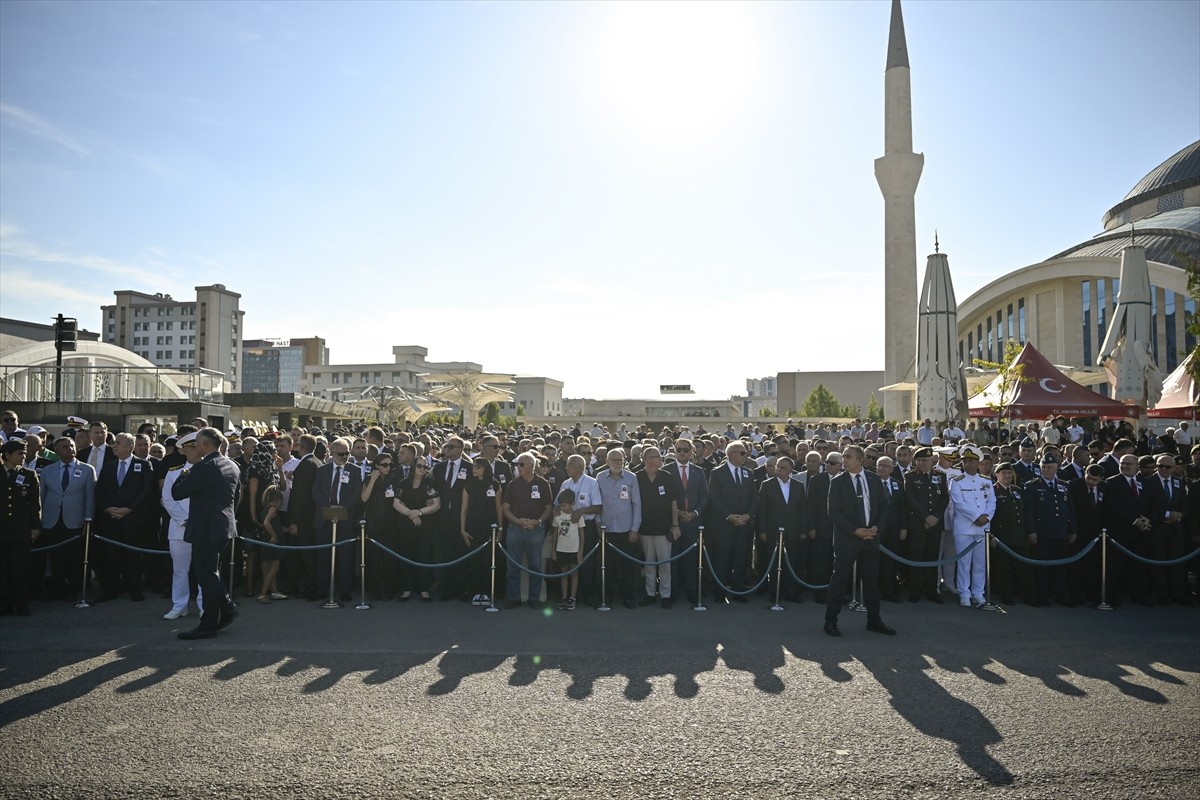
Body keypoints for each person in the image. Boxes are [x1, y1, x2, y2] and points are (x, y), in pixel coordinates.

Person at [170, 428, 240, 639]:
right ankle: (227, 609)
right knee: (211, 573)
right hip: (223, 526)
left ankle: (209, 623)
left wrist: (184, 472)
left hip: (205, 529)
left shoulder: (203, 467)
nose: (195, 446)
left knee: (206, 575)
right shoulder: (232, 465)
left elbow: (177, 492)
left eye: (198, 442)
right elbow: (236, 496)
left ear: (206, 445)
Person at [823, 446, 894, 637]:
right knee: (838, 580)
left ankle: (874, 621)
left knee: (871, 582)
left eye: (848, 457)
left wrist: (876, 528)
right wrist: (855, 530)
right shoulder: (838, 482)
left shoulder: (874, 479)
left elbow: (883, 507)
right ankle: (830, 621)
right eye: (843, 457)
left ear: (860, 460)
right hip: (847, 540)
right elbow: (834, 512)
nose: (844, 460)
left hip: (871, 538)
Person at [94, 432, 157, 602]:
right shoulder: (108, 467)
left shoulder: (144, 465)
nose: (114, 446)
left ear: (130, 447)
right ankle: (111, 589)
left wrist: (129, 509)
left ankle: (135, 588)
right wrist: (107, 509)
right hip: (111, 519)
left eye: (119, 443)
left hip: (133, 519)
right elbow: (100, 491)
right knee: (111, 556)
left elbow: (146, 491)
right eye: (114, 443)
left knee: (133, 556)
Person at [38, 436, 96, 602]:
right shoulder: (48, 470)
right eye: (64, 446)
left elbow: (90, 497)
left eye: (71, 445)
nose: (69, 448)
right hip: (52, 520)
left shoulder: (87, 469)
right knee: (56, 558)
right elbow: (41, 496)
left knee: (74, 558)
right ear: (56, 451)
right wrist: (39, 519)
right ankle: (58, 589)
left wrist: (88, 517)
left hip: (75, 520)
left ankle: (73, 590)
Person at [1023, 452, 1077, 607]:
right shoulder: (1032, 485)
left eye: (1049, 467)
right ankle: (1041, 595)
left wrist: (1073, 529)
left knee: (1060, 566)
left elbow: (1071, 509)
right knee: (1041, 567)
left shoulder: (1064, 485)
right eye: (1043, 467)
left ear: (1056, 468)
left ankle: (1060, 594)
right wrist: (1031, 531)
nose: (1045, 470)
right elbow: (1029, 511)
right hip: (1042, 533)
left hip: (1061, 532)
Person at [706, 441, 757, 603]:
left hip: (743, 524)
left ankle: (738, 591)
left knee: (741, 557)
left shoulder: (748, 473)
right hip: (724, 524)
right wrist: (729, 516)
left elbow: (753, 498)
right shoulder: (717, 472)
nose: (745, 456)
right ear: (732, 454)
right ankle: (720, 591)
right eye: (742, 453)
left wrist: (748, 515)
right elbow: (714, 498)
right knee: (722, 558)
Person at [502, 452, 554, 609]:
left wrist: (538, 521)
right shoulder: (513, 484)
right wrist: (517, 521)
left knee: (535, 566)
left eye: (521, 464)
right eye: (518, 464)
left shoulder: (544, 484)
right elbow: (505, 508)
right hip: (515, 529)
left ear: (531, 466)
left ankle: (534, 598)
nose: (518, 467)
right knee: (513, 566)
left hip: (536, 530)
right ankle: (513, 598)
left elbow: (548, 508)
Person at [161, 432, 203, 620]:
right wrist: (185, 519)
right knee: (180, 570)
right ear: (184, 450)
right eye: (192, 448)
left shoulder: (208, 470)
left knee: (205, 569)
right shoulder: (174, 472)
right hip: (180, 528)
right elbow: (167, 500)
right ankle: (179, 605)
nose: (197, 452)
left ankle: (205, 606)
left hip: (203, 527)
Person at [948, 445, 996, 608]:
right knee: (964, 563)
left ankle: (978, 593)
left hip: (982, 528)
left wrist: (986, 517)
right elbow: (959, 503)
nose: (967, 464)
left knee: (980, 564)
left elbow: (992, 502)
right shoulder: (957, 482)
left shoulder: (986, 481)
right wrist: (976, 517)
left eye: (971, 461)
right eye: (965, 461)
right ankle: (964, 593)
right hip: (964, 528)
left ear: (978, 463)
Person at [595, 448, 643, 609]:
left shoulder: (631, 478)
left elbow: (637, 504)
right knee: (607, 565)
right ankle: (606, 595)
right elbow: (597, 502)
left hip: (626, 529)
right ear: (607, 461)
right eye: (614, 460)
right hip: (606, 529)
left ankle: (628, 596)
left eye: (620, 459)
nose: (618, 462)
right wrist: (597, 523)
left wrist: (635, 529)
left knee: (627, 566)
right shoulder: (600, 477)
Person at [756, 455, 807, 604]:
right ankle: (774, 592)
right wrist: (763, 531)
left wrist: (803, 531)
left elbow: (802, 510)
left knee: (791, 563)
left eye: (782, 467)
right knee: (773, 564)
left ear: (791, 469)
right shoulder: (766, 485)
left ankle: (791, 592)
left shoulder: (798, 486)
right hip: (772, 531)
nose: (778, 469)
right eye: (777, 466)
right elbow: (762, 511)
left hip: (792, 531)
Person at [664, 439, 708, 606]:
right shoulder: (666, 471)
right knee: (673, 558)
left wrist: (695, 513)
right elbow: (664, 497)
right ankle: (672, 592)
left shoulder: (699, 471)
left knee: (691, 559)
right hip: (673, 522)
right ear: (674, 451)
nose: (682, 452)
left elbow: (704, 495)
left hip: (693, 521)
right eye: (679, 449)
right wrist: (677, 514)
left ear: (691, 452)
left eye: (685, 450)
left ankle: (692, 592)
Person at [903, 447, 950, 603]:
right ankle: (916, 590)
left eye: (924, 460)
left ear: (932, 460)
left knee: (932, 558)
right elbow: (910, 499)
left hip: (935, 524)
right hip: (917, 523)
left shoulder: (940, 476)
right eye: (918, 460)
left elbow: (944, 499)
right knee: (916, 557)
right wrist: (926, 517)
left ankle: (931, 590)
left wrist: (935, 517)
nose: (921, 463)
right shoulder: (910, 477)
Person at [635, 446, 679, 608]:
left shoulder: (666, 477)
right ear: (644, 459)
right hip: (644, 528)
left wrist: (675, 525)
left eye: (658, 457)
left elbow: (673, 503)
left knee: (665, 564)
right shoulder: (637, 477)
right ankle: (650, 593)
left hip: (664, 529)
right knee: (649, 564)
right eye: (652, 457)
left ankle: (666, 595)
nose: (656, 460)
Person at [2, 439, 41, 615]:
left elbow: (34, 504)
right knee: (3, 569)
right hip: (2, 530)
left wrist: (35, 527)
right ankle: (4, 603)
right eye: (19, 453)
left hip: (21, 530)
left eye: (24, 453)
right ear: (7, 455)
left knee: (21, 569)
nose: (23, 457)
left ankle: (21, 603)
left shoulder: (28, 475)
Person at [392, 459, 440, 602]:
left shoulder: (430, 484)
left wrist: (419, 512)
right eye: (419, 466)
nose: (422, 468)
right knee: (406, 555)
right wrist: (411, 515)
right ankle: (406, 589)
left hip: (425, 526)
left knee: (424, 556)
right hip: (405, 525)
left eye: (425, 466)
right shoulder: (403, 483)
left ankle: (424, 589)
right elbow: (396, 503)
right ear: (413, 466)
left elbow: (436, 505)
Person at [460, 458, 503, 605]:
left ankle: (487, 592)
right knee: (475, 561)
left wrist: (500, 528)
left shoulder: (495, 484)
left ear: (485, 468)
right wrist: (462, 530)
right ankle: (476, 591)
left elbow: (499, 508)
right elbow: (464, 510)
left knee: (488, 561)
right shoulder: (469, 485)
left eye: (477, 467)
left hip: (489, 528)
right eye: (473, 467)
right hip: (472, 528)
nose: (474, 469)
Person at [361, 451, 399, 600]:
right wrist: (372, 479)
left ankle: (390, 589)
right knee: (373, 558)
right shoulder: (369, 478)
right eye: (384, 465)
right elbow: (364, 498)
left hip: (390, 522)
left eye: (390, 464)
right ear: (376, 465)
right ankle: (373, 589)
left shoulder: (394, 479)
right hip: (374, 522)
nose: (388, 467)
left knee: (389, 558)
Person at [255, 486, 288, 604]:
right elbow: (266, 522)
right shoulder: (273, 508)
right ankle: (263, 593)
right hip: (273, 543)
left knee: (270, 569)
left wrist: (287, 530)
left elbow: (274, 524)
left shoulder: (266, 508)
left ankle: (274, 592)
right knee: (274, 568)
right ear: (278, 500)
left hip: (267, 541)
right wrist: (274, 536)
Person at [551, 489, 582, 610]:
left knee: (573, 574)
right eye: (561, 505)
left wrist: (580, 551)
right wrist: (553, 549)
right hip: (561, 549)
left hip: (574, 549)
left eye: (565, 505)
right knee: (563, 574)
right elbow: (554, 532)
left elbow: (582, 533)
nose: (562, 508)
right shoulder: (558, 515)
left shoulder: (577, 515)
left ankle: (572, 598)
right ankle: (564, 597)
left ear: (572, 504)